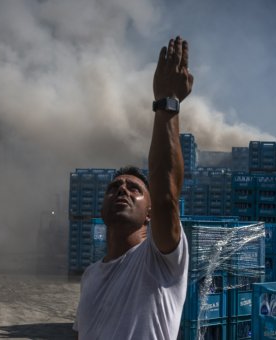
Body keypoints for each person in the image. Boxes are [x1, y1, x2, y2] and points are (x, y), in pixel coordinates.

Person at [73, 36, 194, 339]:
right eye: (114, 187)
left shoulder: (160, 259)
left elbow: (166, 194)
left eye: (134, 188)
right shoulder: (90, 276)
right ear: (101, 207)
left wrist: (167, 103)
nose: (122, 190)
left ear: (149, 213)